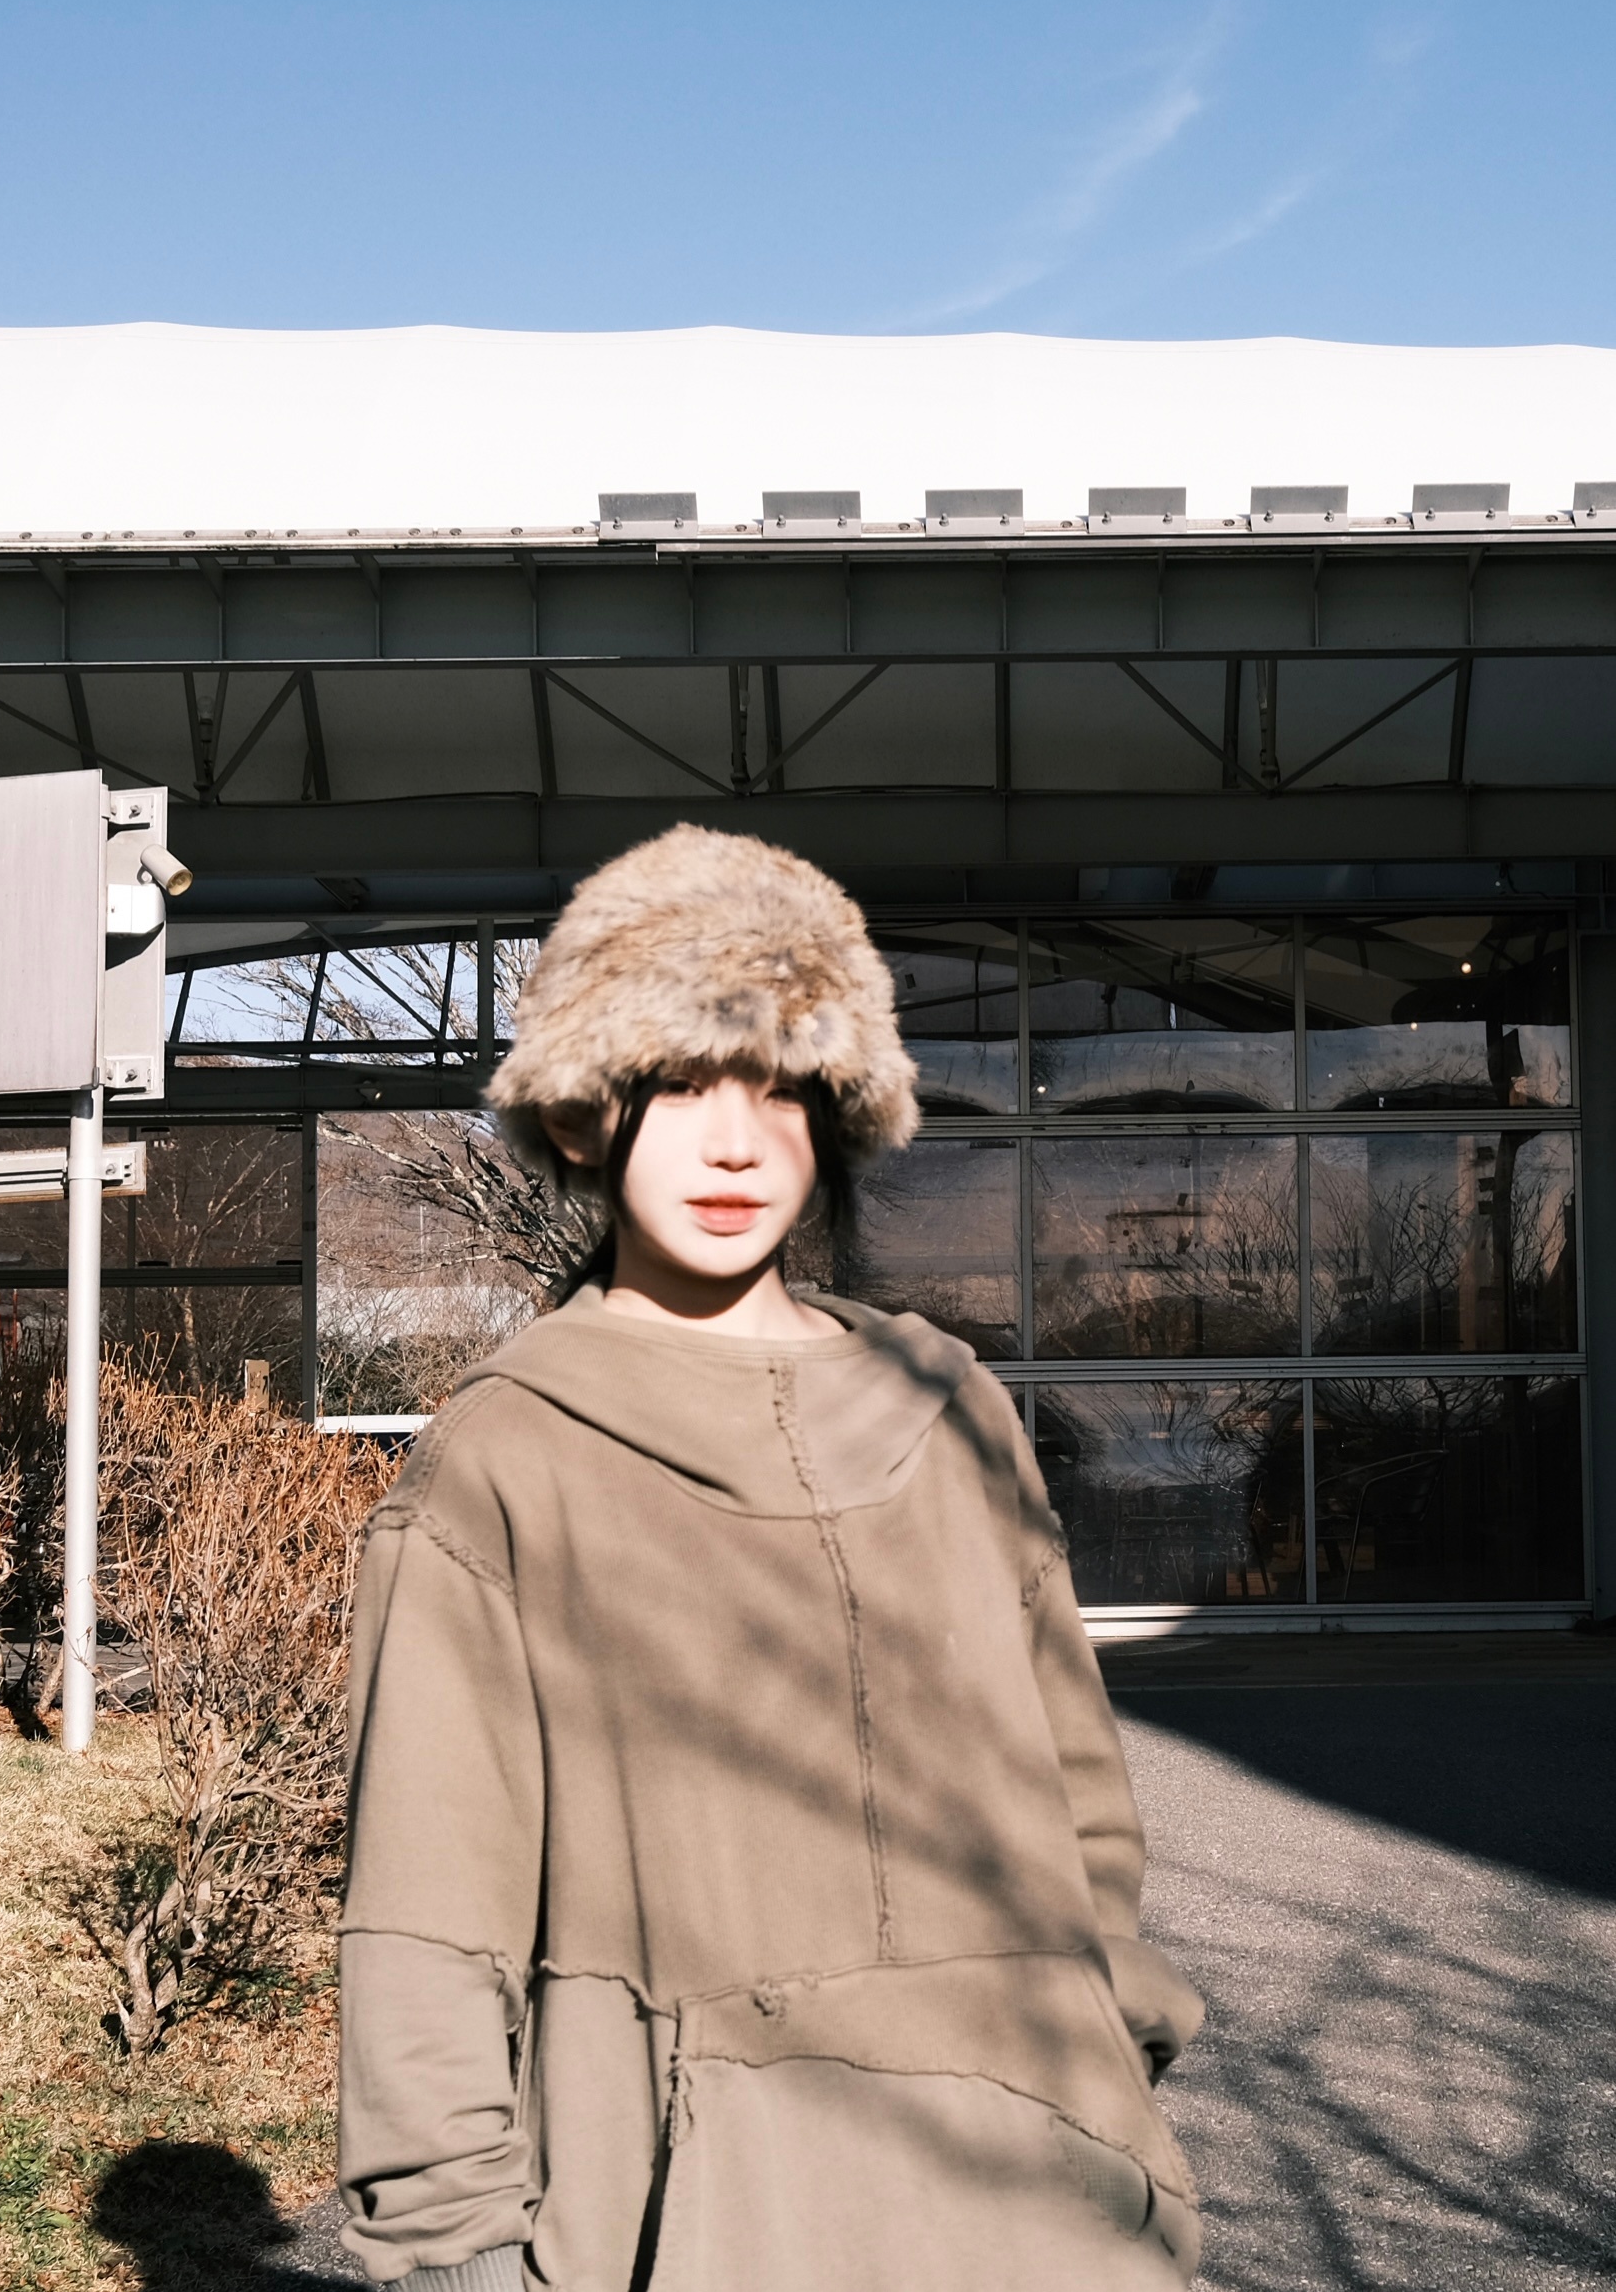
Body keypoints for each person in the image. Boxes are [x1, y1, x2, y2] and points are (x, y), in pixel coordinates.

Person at [338, 825, 1204, 2291]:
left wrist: (1105, 2011)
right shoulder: (511, 1454)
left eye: (782, 1089)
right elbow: (429, 1898)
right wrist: (453, 2238)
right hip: (704, 2214)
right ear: (580, 1117)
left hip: (1042, 2196)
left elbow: (1075, 1784)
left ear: (839, 1117)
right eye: (678, 1085)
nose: (734, 1143)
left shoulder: (953, 1409)